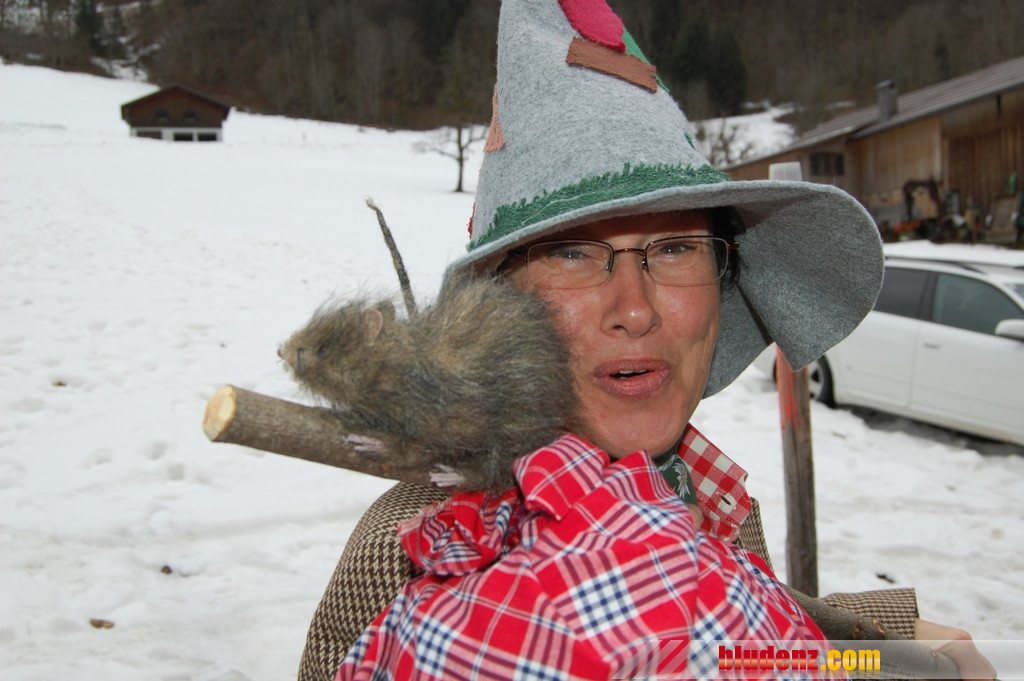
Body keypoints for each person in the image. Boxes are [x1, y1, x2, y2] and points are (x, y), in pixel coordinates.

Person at [311, 1, 996, 679]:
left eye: (674, 248)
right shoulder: (411, 562)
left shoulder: (710, 494)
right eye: (572, 253)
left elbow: (728, 638)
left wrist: (885, 636)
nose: (634, 310)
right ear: (495, 308)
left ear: (723, 280)